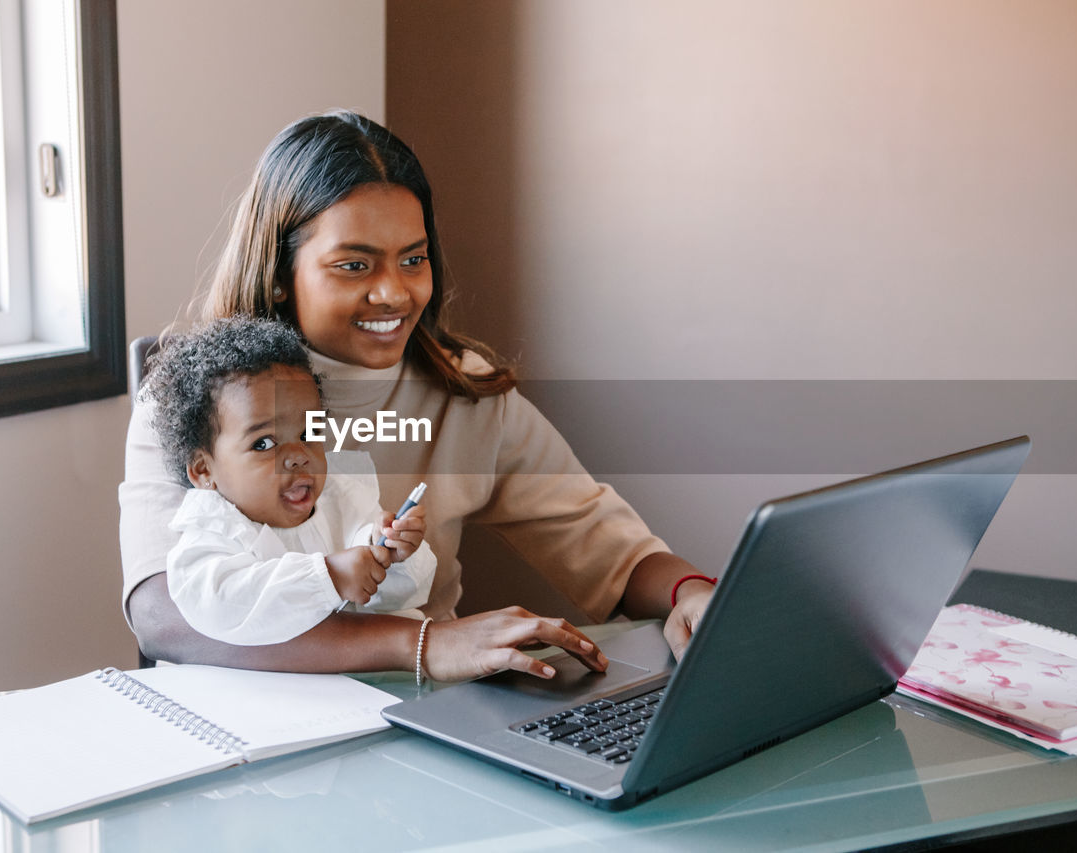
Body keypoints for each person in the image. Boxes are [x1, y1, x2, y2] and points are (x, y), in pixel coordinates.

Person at [120, 110, 715, 683]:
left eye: (413, 259)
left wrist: (689, 594)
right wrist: (421, 643)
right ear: (280, 273)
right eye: (355, 265)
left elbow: (601, 540)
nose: (393, 294)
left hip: (415, 716)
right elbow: (162, 617)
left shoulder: (463, 393)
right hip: (243, 733)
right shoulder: (191, 397)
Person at [145, 315, 436, 645]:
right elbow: (224, 606)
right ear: (203, 470)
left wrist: (391, 555)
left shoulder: (342, 498)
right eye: (264, 443)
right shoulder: (210, 534)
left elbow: (395, 600)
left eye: (308, 432)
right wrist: (329, 577)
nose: (298, 454)